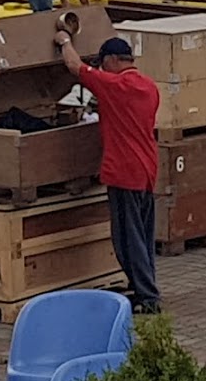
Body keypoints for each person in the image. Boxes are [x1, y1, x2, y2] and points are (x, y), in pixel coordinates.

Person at [56, 33, 163, 314]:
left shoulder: (115, 85)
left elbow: (74, 66)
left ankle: (148, 297)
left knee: (128, 239)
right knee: (143, 234)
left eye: (104, 63)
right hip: (147, 169)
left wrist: (64, 40)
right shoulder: (149, 86)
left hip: (124, 171)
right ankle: (144, 287)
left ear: (113, 60)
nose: (102, 69)